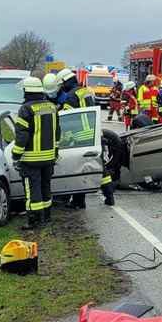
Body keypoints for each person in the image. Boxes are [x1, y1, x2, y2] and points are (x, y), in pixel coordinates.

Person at [58, 68, 114, 206]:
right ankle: (109, 196)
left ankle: (79, 201)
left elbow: (66, 120)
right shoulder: (86, 91)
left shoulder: (71, 96)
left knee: (78, 169)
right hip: (95, 134)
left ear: (65, 82)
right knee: (101, 167)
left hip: (82, 137)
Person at [12, 76, 59, 229]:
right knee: (45, 185)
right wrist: (55, 151)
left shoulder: (25, 109)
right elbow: (57, 131)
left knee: (32, 189)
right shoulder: (51, 106)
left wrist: (16, 155)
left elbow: (22, 135)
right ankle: (46, 215)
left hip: (31, 159)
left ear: (26, 91)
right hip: (49, 157)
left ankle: (34, 220)